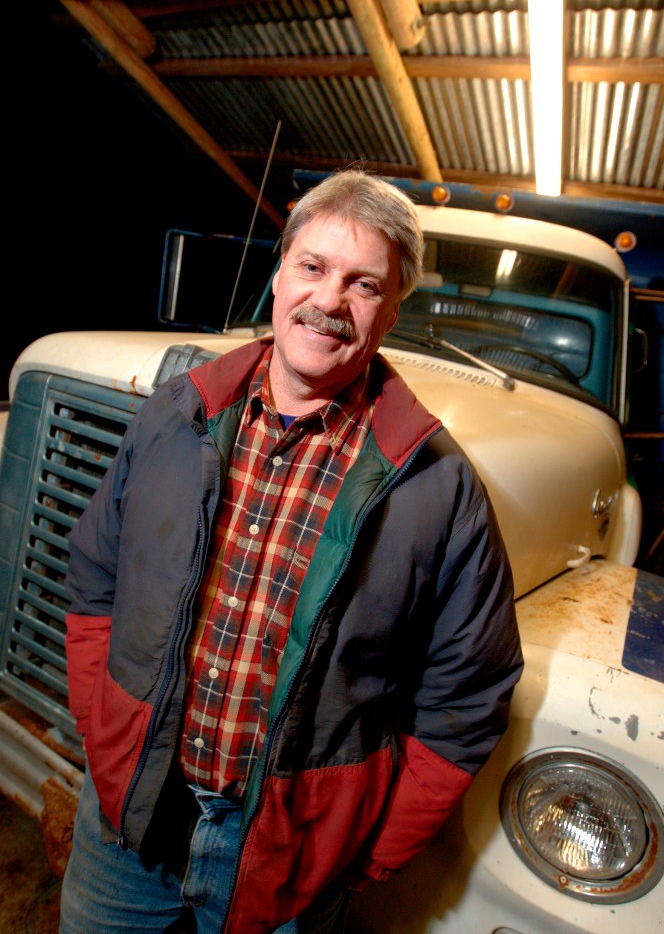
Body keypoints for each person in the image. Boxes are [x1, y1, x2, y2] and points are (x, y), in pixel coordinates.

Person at [60, 169, 523, 934]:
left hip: (289, 862)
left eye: (363, 283)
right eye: (312, 266)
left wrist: (368, 849)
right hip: (128, 821)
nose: (330, 300)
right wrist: (106, 739)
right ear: (279, 274)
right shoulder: (178, 415)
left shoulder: (437, 486)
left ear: (392, 308)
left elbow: (466, 695)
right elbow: (94, 580)